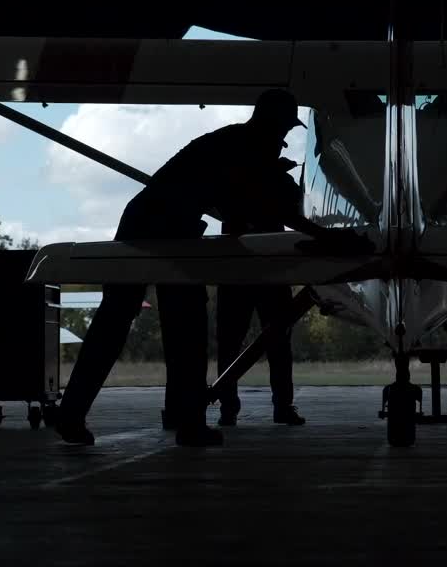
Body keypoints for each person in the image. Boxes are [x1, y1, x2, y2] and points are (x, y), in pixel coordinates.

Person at [55, 88, 365, 448]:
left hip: (151, 226)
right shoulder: (248, 149)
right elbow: (271, 209)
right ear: (274, 123)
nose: (284, 139)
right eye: (283, 130)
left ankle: (87, 414)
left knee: (126, 322)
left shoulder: (234, 142)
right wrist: (329, 239)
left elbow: (247, 207)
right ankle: (186, 422)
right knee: (183, 327)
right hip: (165, 232)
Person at [215, 156, 308, 427]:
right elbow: (296, 211)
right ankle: (281, 406)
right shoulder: (276, 181)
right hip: (270, 272)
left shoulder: (230, 177)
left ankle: (228, 407)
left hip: (237, 271)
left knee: (230, 344)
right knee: (278, 343)